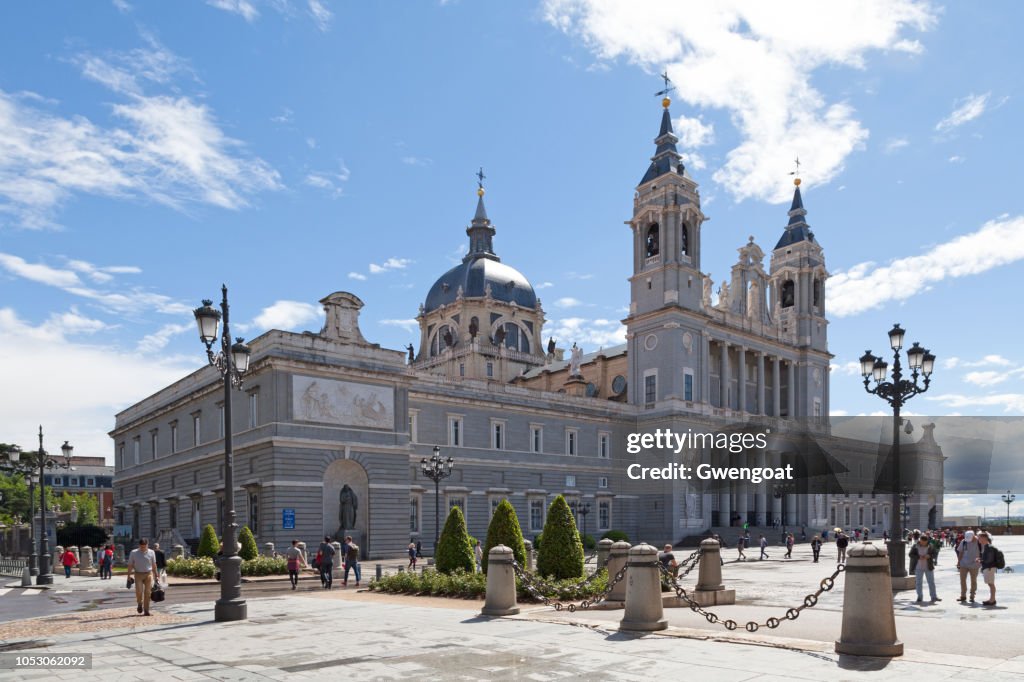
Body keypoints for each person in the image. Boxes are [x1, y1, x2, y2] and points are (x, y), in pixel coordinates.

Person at [126, 538, 160, 616]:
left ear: (147, 545)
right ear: (139, 545)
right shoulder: (134, 553)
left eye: (144, 546)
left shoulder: (151, 552)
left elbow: (154, 565)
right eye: (141, 547)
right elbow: (130, 565)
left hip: (149, 574)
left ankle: (146, 610)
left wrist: (156, 575)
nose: (143, 548)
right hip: (138, 574)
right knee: (139, 591)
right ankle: (139, 603)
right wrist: (128, 576)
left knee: (148, 592)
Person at [910, 533, 941, 603]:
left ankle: (934, 597)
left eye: (925, 543)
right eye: (922, 542)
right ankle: (919, 597)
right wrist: (918, 557)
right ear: (920, 540)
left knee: (931, 582)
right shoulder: (915, 546)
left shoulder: (930, 546)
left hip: (928, 567)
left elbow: (935, 553)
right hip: (918, 567)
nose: (923, 544)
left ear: (927, 541)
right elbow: (910, 554)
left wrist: (929, 556)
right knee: (918, 583)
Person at [977, 531, 998, 606]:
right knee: (990, 584)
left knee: (991, 584)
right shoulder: (986, 546)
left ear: (984, 538)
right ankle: (992, 599)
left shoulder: (988, 547)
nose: (978, 540)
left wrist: (980, 560)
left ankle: (992, 600)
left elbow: (989, 559)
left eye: (979, 538)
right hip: (989, 567)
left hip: (989, 568)